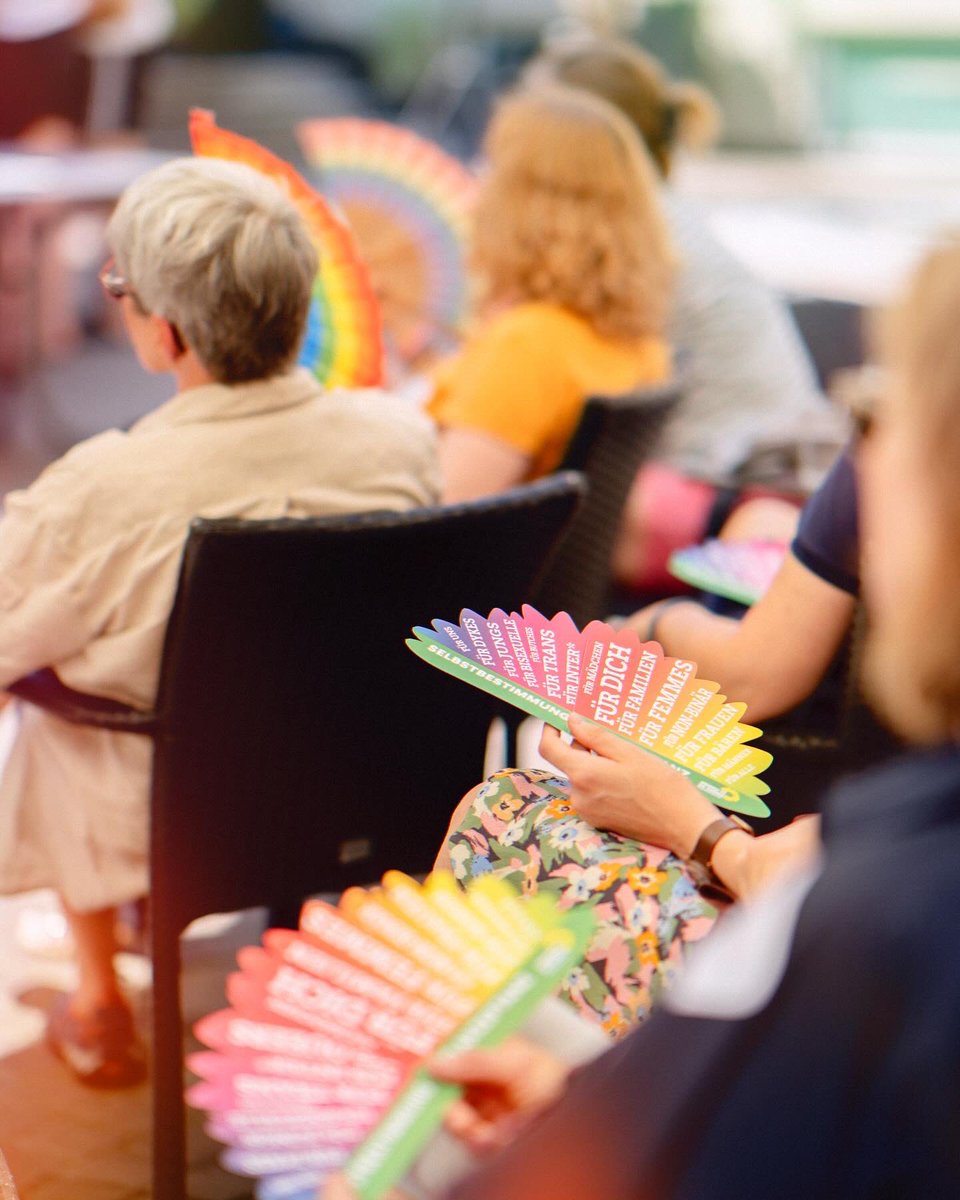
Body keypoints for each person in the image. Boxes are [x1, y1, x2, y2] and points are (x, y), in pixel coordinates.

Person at [326, 231, 960, 1199]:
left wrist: (695, 825)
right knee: (517, 809)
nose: (863, 455)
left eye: (881, 414)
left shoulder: (876, 923)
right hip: (801, 852)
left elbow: (763, 685)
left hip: (770, 870)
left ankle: (403, 1117)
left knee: (511, 819)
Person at [0, 156, 438, 1087]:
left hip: (174, 823)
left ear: (163, 331)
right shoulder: (399, 439)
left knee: (49, 693)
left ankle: (100, 998)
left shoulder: (104, 486)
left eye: (119, 288)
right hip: (365, 788)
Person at [526, 36, 848, 592]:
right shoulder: (659, 217)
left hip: (744, 503)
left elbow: (545, 372)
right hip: (791, 479)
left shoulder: (621, 237)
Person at [427, 83, 675, 503]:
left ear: (524, 201)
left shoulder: (529, 342)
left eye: (490, 165)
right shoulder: (637, 343)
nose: (478, 183)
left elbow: (444, 505)